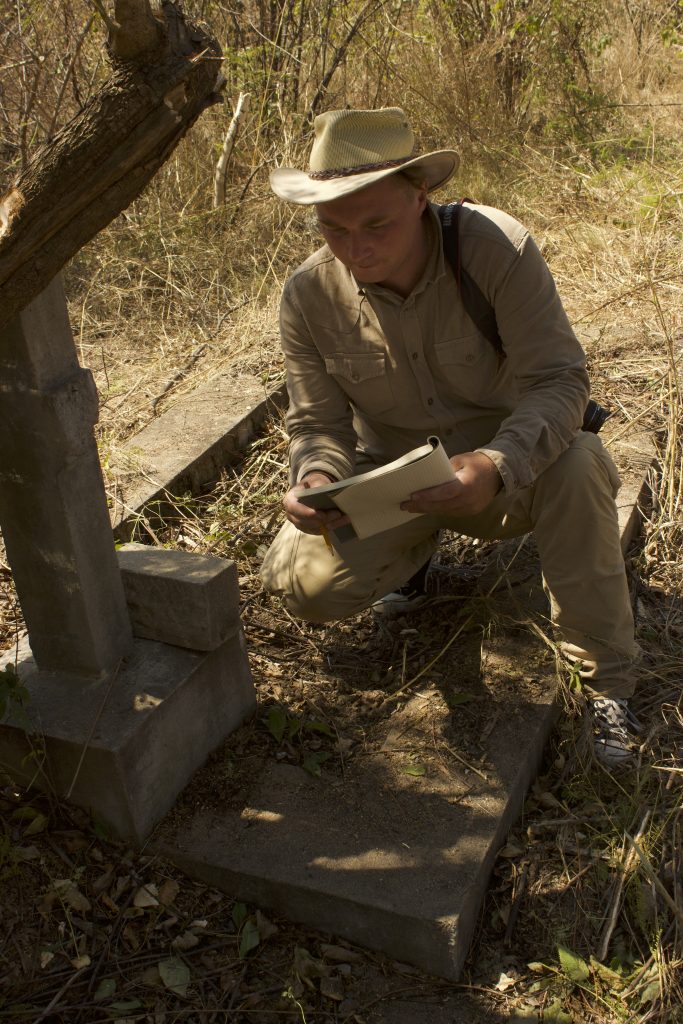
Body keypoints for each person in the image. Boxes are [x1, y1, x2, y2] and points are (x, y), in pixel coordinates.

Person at [261, 107, 640, 769]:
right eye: (333, 228)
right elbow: (317, 425)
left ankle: (606, 682)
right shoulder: (308, 296)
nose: (356, 248)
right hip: (392, 487)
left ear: (419, 197)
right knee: (304, 585)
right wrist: (317, 478)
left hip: (509, 472)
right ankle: (413, 563)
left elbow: (558, 381)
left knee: (579, 463)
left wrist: (496, 463)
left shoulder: (494, 249)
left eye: (376, 224)